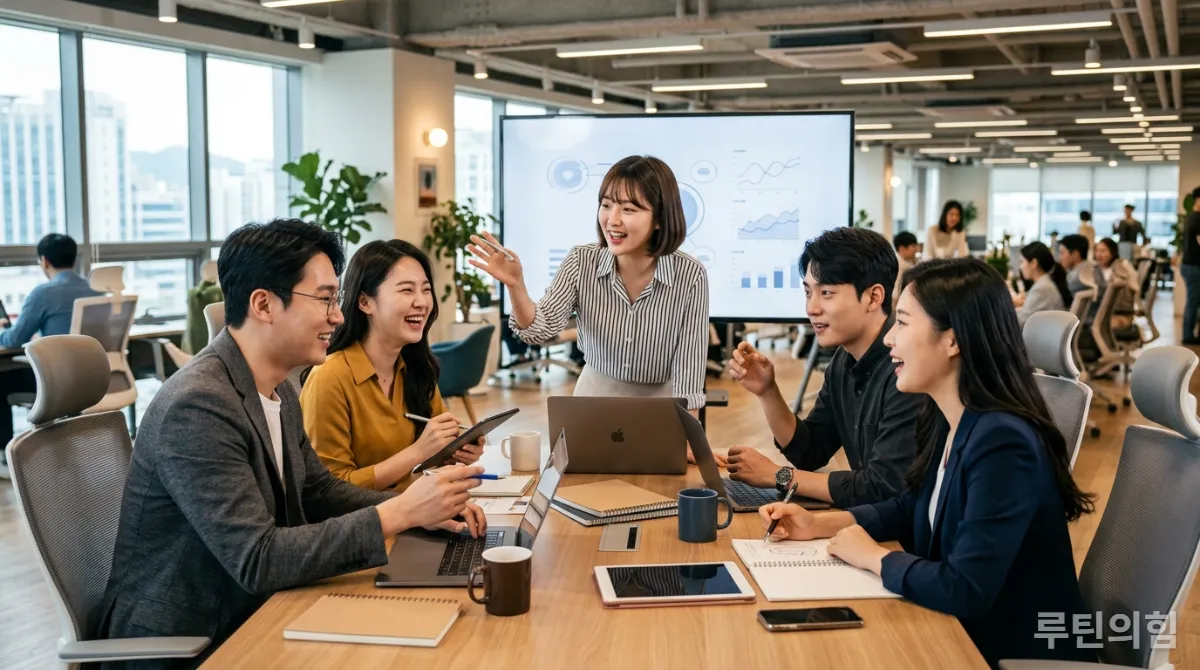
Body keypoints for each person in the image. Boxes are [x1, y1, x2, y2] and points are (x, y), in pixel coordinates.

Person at [95, 219, 486, 667]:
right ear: (263, 304)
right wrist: (397, 512)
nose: (337, 316)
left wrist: (422, 514)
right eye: (323, 299)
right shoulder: (198, 404)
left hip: (260, 606)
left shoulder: (276, 389)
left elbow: (317, 491)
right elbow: (256, 559)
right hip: (199, 636)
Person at [759, 258, 1096, 669]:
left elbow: (967, 587)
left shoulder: (1004, 443)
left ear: (952, 340)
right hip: (959, 631)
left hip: (1004, 651)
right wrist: (821, 524)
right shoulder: (949, 415)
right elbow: (910, 505)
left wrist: (874, 557)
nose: (889, 340)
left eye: (902, 323)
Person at [467, 155, 709, 411]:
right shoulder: (581, 261)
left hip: (661, 403)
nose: (612, 220)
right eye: (606, 205)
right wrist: (516, 286)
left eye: (628, 209)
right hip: (594, 397)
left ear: (660, 218)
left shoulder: (690, 274)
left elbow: (688, 368)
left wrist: (688, 440)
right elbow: (540, 329)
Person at [722, 227, 926, 508]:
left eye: (826, 293)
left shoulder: (906, 370)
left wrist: (779, 476)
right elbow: (810, 451)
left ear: (874, 297)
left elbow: (884, 486)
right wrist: (767, 392)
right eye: (808, 293)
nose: (812, 308)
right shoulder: (843, 361)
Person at [300, 240, 484, 492]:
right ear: (365, 302)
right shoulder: (329, 377)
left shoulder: (416, 369)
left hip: (420, 514)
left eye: (426, 290)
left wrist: (455, 450)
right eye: (407, 290)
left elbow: (432, 459)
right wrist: (416, 453)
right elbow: (329, 491)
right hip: (369, 526)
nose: (421, 302)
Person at [0, 233, 100, 475]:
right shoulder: (95, 291)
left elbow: (15, 339)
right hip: (92, 379)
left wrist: (3, 330)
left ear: (44, 261)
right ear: (74, 260)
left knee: (1, 381)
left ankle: (4, 456)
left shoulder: (43, 293)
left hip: (57, 383)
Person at [1013, 242, 1071, 328]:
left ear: (1034, 263)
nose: (1020, 267)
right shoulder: (1044, 283)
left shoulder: (1042, 289)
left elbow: (1021, 322)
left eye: (1022, 262)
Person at [1093, 237, 1138, 325]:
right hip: (1103, 313)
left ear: (1112, 253)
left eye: (1103, 251)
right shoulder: (1096, 269)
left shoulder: (1122, 268)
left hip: (1118, 314)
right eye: (1097, 251)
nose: (1099, 254)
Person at [1180, 186, 1200, 345]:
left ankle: (1191, 334)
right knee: (1193, 301)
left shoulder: (1190, 217)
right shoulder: (1198, 218)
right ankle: (1187, 336)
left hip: (1189, 265)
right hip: (1194, 266)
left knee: (1193, 301)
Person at [1057, 233, 1104, 298]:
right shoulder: (1094, 266)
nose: (1060, 257)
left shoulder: (1075, 277)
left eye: (1062, 253)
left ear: (1075, 254)